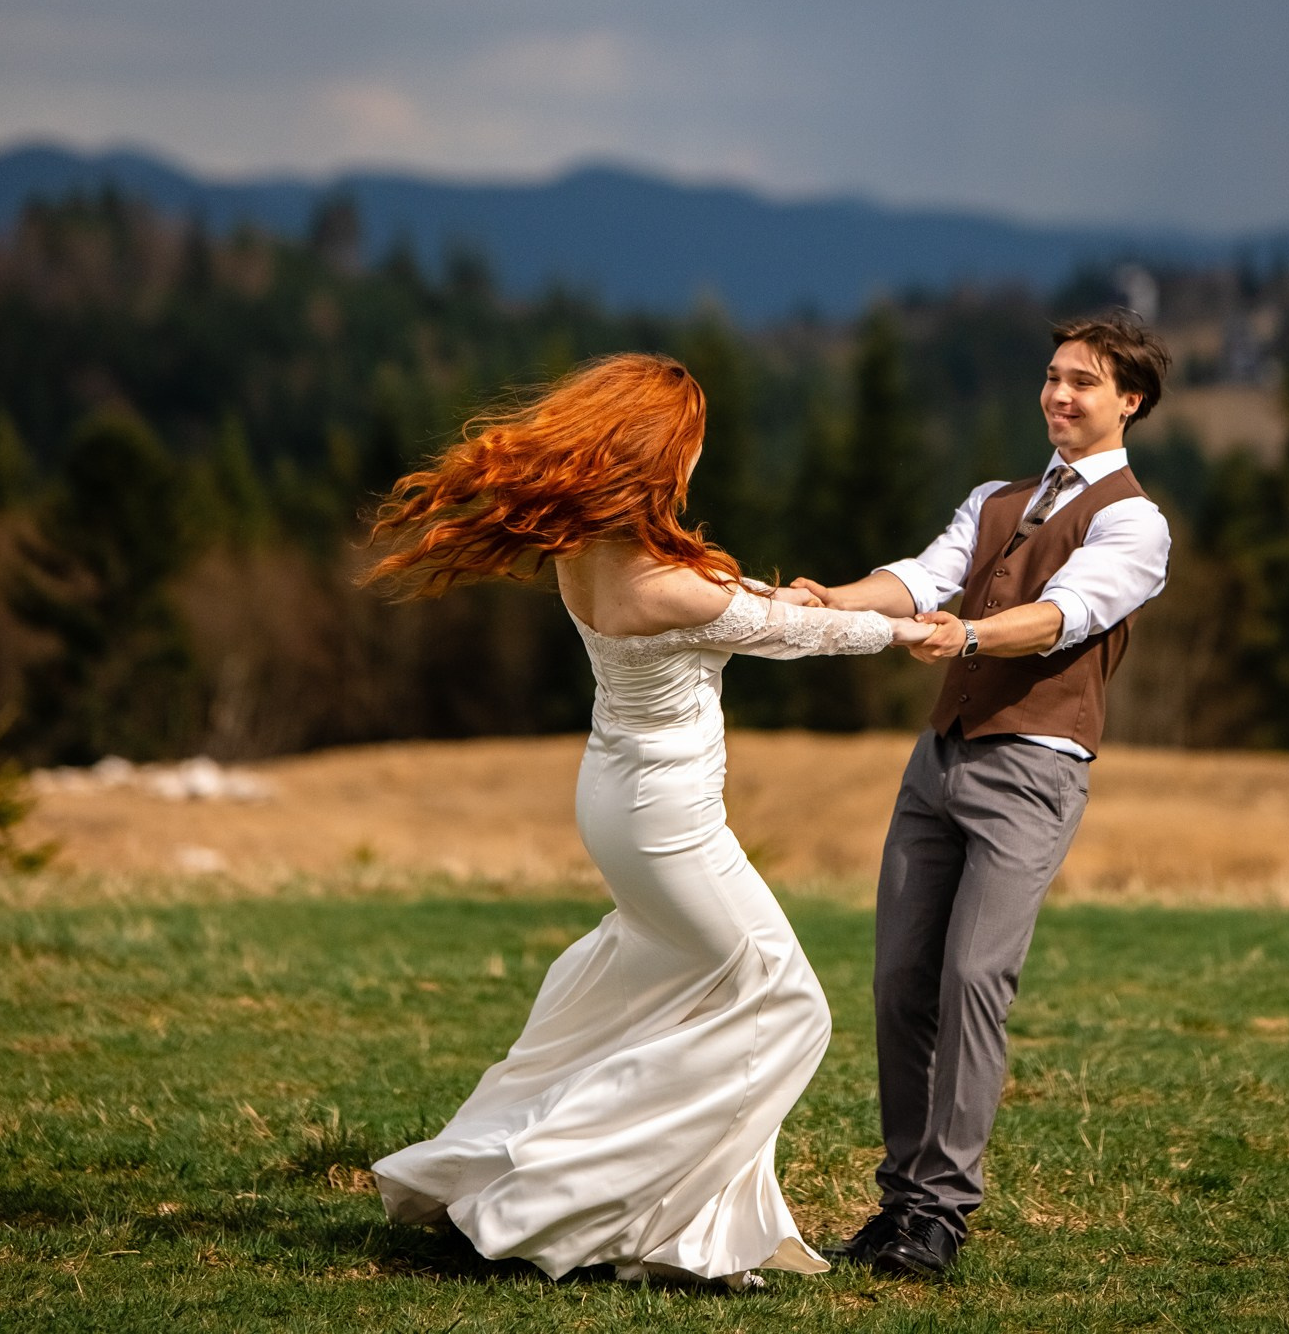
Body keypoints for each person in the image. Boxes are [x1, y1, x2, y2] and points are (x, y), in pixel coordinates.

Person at [364, 351, 927, 1289]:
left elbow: (745, 608)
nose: (698, 464)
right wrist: (909, 630)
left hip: (620, 800)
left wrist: (788, 599)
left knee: (674, 987)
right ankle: (570, 1200)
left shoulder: (589, 550)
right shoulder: (659, 585)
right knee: (786, 1006)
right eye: (690, 448)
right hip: (666, 819)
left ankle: (655, 1205)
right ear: (657, 455)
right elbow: (791, 632)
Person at [797, 312, 1172, 1279]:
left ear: (1129, 401)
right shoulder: (997, 497)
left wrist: (961, 637)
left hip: (1033, 770)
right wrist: (831, 601)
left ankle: (942, 1216)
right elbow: (927, 574)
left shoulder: (1135, 522)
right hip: (940, 759)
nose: (1058, 395)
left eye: (1083, 382)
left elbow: (1063, 616)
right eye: (1052, 377)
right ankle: (900, 1202)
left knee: (973, 979)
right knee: (899, 982)